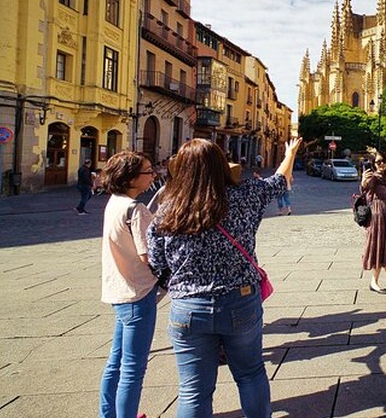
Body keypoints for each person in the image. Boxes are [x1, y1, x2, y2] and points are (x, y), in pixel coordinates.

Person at [147, 137, 301, 418]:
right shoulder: (246, 195)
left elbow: (156, 262)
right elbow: (280, 180)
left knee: (194, 390)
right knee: (250, 374)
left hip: (187, 307)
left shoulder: (167, 208)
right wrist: (290, 153)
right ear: (222, 165)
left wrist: (180, 283)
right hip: (240, 300)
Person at [99, 151, 158, 418]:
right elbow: (150, 255)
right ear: (131, 178)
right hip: (138, 292)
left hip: (118, 289)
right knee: (133, 369)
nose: (152, 175)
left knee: (116, 362)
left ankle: (107, 414)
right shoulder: (136, 210)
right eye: (147, 171)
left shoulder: (115, 202)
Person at [361, 153, 386, 294]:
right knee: (378, 247)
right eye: (378, 162)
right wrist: (363, 181)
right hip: (376, 217)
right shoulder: (373, 177)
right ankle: (379, 281)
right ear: (373, 164)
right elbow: (366, 188)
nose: (382, 164)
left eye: (384, 161)